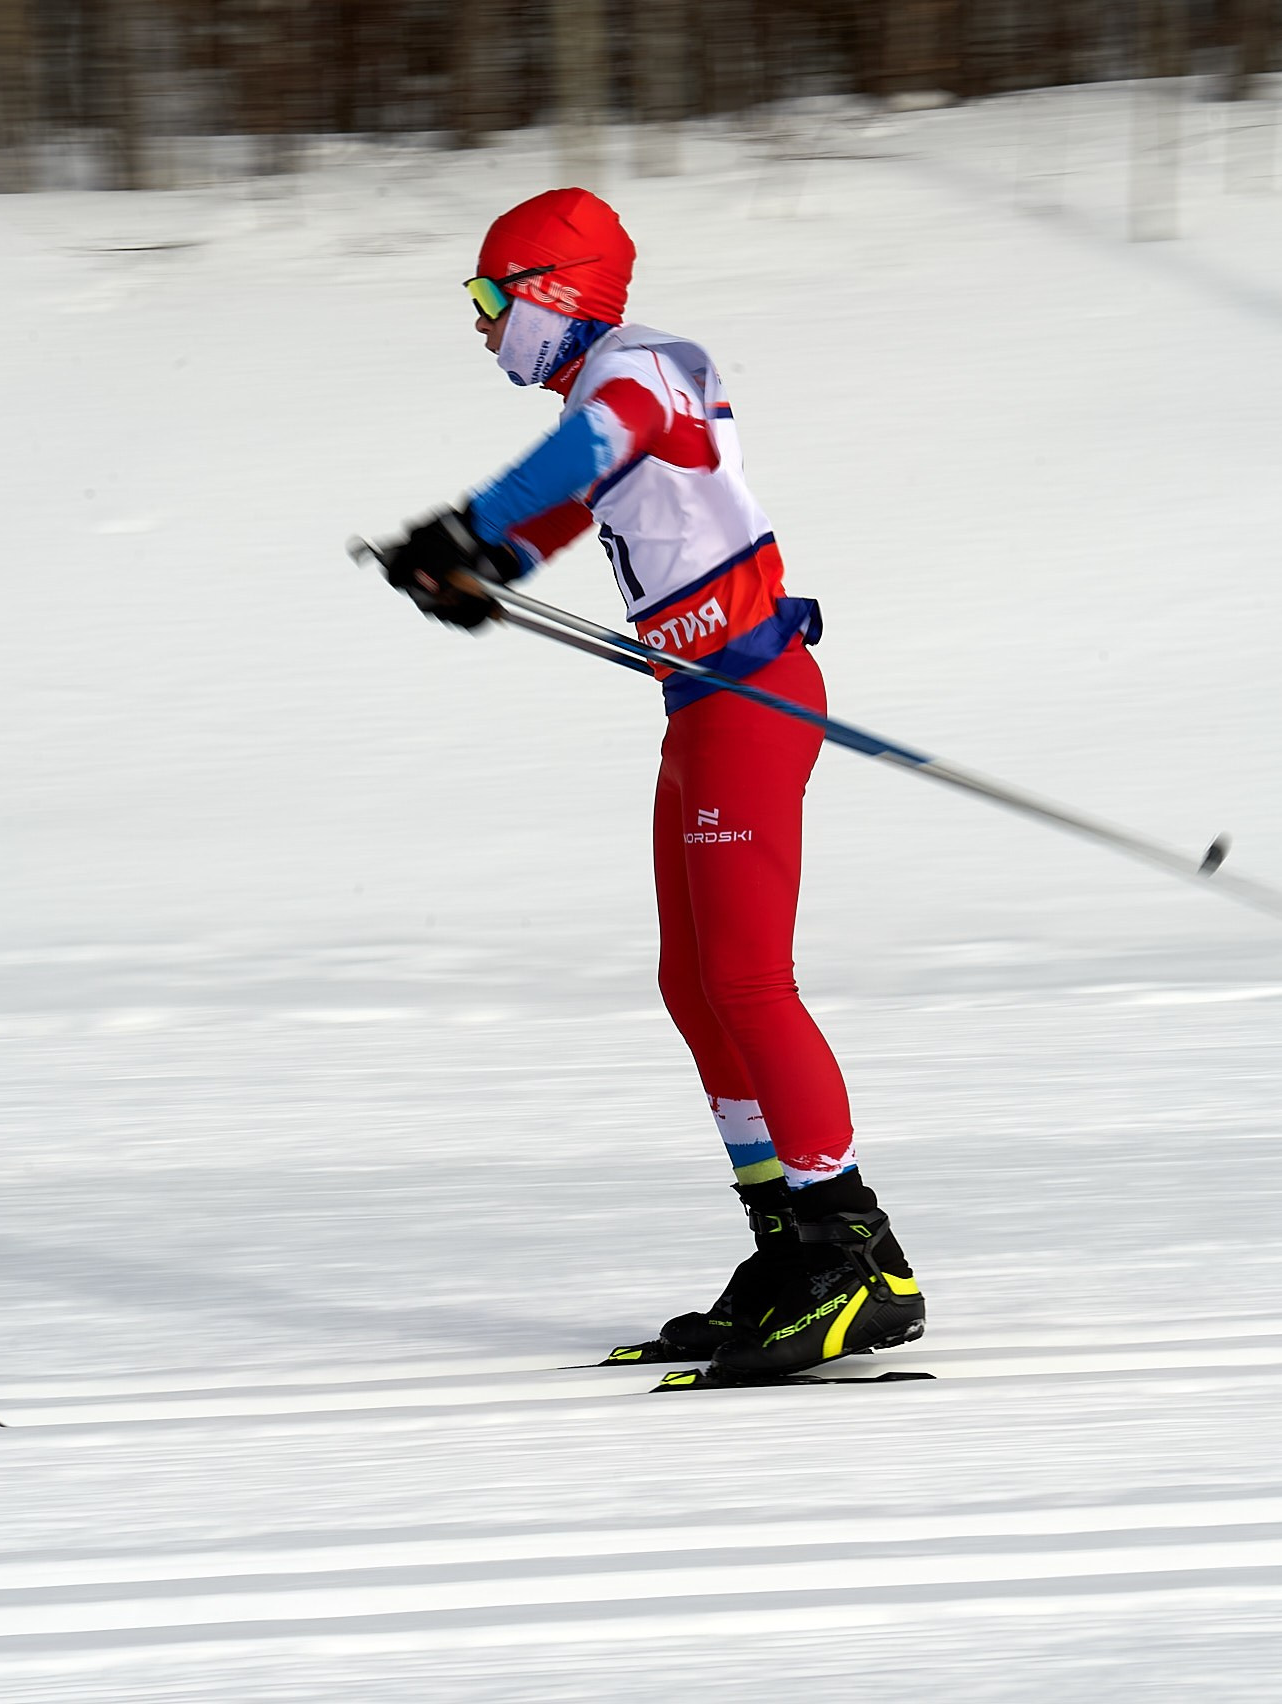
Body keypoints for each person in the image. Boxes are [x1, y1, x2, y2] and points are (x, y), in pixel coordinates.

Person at [376, 187, 924, 1379]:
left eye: (486, 299)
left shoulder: (647, 364)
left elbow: (599, 442)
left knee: (747, 978)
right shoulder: (601, 396)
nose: (477, 326)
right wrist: (478, 568)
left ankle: (856, 1258)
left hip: (755, 700)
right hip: (695, 710)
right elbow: (574, 501)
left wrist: (470, 524)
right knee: (692, 983)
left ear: (550, 294)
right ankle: (789, 1240)